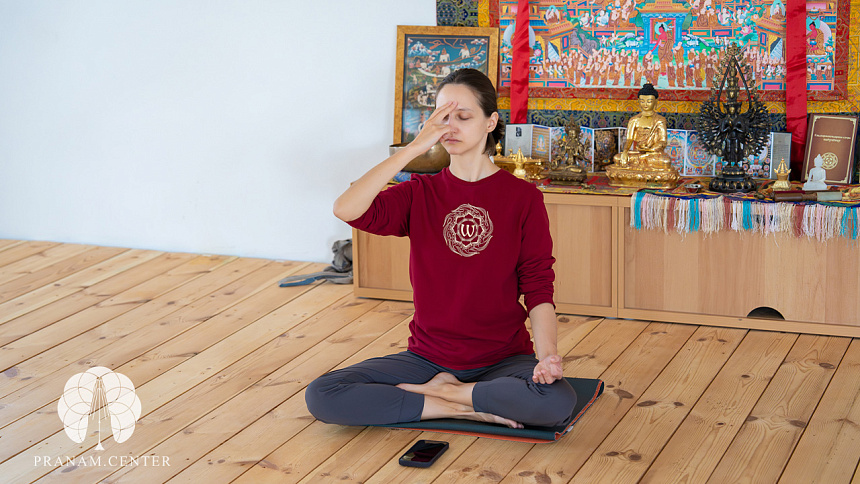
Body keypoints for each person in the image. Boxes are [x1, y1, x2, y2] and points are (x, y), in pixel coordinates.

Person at [305, 68, 577, 430]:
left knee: (556, 402)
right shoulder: (420, 193)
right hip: (427, 360)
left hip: (503, 359)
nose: (450, 127)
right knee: (323, 393)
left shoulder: (523, 198)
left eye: (463, 117)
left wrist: (547, 358)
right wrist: (415, 147)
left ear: (490, 121)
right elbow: (346, 209)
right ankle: (459, 406)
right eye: (442, 118)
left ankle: (448, 394)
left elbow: (539, 287)